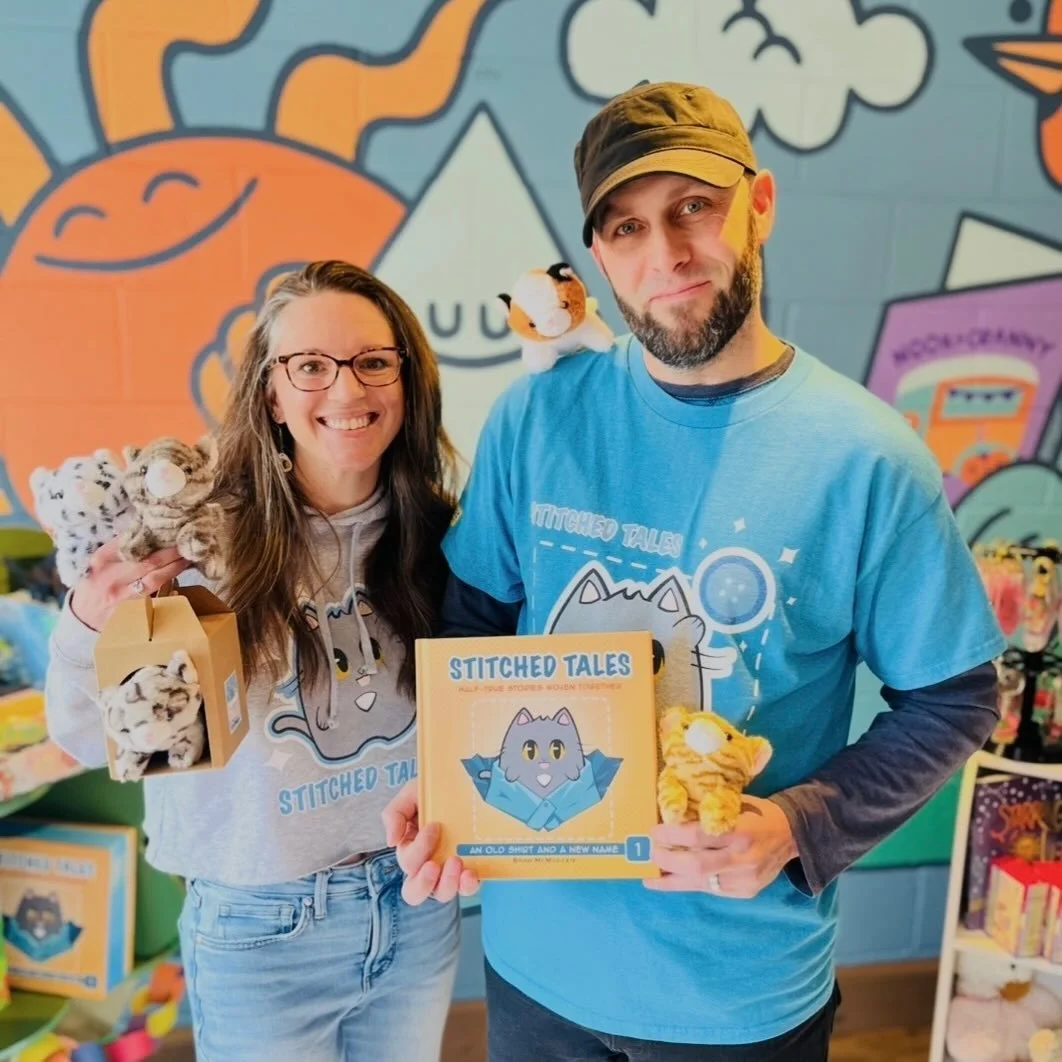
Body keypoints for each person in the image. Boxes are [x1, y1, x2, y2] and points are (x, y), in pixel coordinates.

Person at [382, 82, 1005, 1060]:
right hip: (534, 968)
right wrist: (446, 784)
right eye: (626, 228)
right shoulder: (535, 418)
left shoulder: (865, 458)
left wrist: (794, 827)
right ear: (597, 259)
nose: (664, 256)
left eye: (693, 209)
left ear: (759, 204)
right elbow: (470, 619)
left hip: (736, 998)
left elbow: (957, 697)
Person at [45, 261, 461, 1061]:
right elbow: (97, 741)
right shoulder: (202, 539)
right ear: (270, 391)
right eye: (310, 366)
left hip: (414, 907)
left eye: (373, 361)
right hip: (261, 929)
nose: (345, 391)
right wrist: (83, 625)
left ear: (407, 379)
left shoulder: (439, 536)